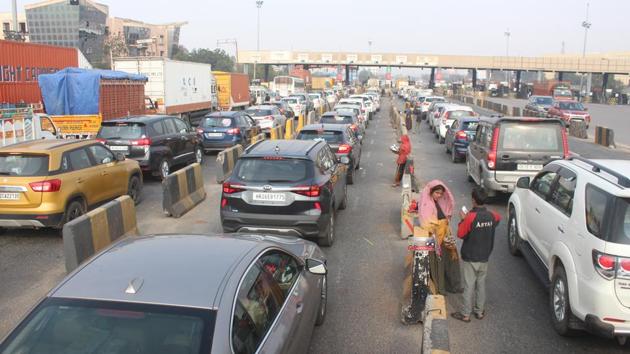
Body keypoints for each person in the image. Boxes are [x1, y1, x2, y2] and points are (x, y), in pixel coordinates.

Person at [451, 187, 501, 323]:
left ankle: (465, 314)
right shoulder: (492, 215)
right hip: (484, 256)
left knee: (468, 286)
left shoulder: (470, 218)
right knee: (481, 284)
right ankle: (479, 311)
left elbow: (461, 234)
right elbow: (498, 219)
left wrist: (462, 220)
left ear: (473, 200)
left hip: (470, 257)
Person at [418, 180, 457, 295]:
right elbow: (426, 224)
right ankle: (439, 289)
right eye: (437, 193)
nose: (439, 196)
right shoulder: (427, 205)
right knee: (437, 264)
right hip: (434, 240)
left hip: (442, 237)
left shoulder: (437, 202)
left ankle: (443, 286)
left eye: (441, 194)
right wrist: (438, 228)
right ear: (431, 192)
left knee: (444, 263)